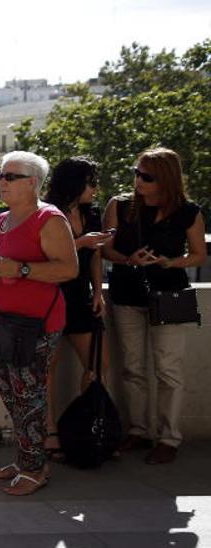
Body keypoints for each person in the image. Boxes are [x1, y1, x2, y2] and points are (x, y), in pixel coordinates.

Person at [0, 151, 77, 495]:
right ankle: (26, 459)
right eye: (1, 176)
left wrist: (21, 269)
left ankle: (35, 469)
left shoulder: (49, 219)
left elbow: (68, 269)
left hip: (34, 325)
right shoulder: (3, 219)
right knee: (11, 394)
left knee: (29, 395)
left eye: (10, 177)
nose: (2, 182)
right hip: (1, 323)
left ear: (33, 182)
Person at [101, 147, 205, 465]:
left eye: (145, 176)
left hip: (169, 295)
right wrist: (127, 259)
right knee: (133, 368)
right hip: (127, 293)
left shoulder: (188, 211)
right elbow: (104, 249)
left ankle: (169, 437)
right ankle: (139, 430)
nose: (137, 180)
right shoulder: (120, 205)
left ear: (165, 179)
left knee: (168, 371)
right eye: (136, 172)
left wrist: (171, 262)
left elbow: (198, 254)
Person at [40, 156, 113, 462]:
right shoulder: (47, 213)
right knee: (48, 371)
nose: (96, 189)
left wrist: (98, 291)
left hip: (81, 298)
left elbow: (96, 257)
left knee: (100, 363)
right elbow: (46, 256)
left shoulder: (91, 213)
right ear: (75, 183)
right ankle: (51, 432)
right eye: (91, 182)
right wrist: (81, 242)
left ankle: (90, 426)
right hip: (52, 298)